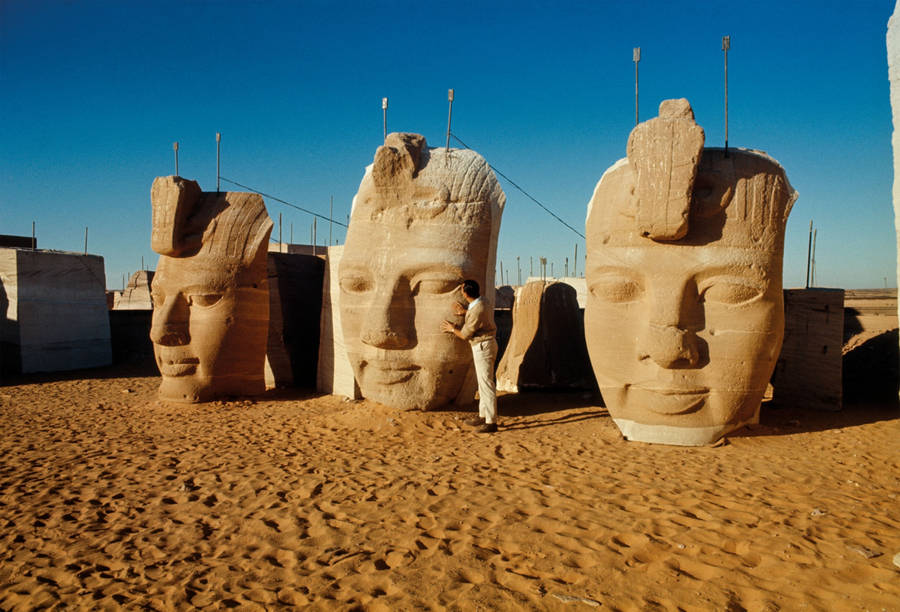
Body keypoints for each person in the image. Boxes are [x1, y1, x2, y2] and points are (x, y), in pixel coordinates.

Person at [440, 280, 499, 433]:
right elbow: (478, 313)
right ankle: (483, 416)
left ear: (465, 293)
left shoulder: (477, 309)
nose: (460, 291)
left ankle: (491, 422)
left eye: (461, 289)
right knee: (483, 383)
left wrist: (453, 329)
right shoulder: (483, 301)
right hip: (486, 345)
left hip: (483, 346)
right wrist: (466, 312)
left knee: (486, 384)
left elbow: (465, 334)